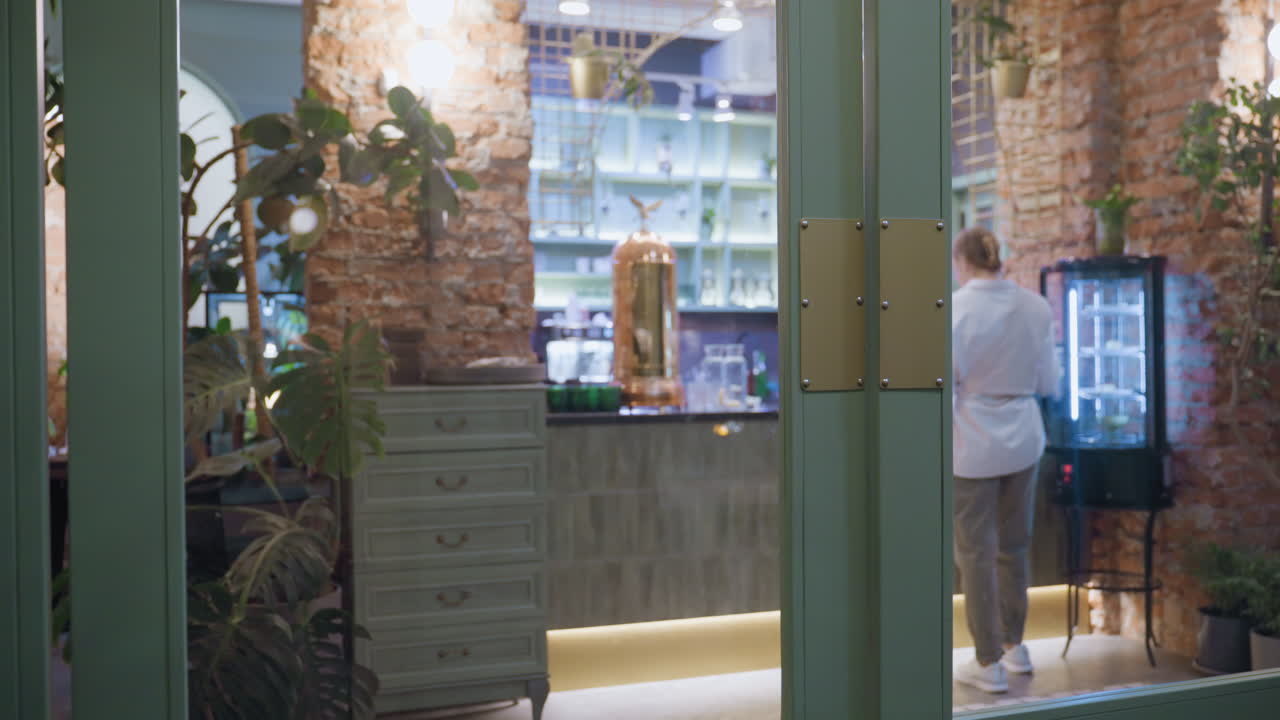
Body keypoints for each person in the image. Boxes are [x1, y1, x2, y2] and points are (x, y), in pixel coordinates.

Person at [950, 227, 1059, 694]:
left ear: (961, 262)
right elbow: (1050, 383)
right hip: (1024, 439)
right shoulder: (1036, 307)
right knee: (1013, 546)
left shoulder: (954, 310)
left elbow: (945, 383)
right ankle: (1016, 647)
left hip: (971, 441)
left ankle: (987, 660)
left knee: (975, 553)